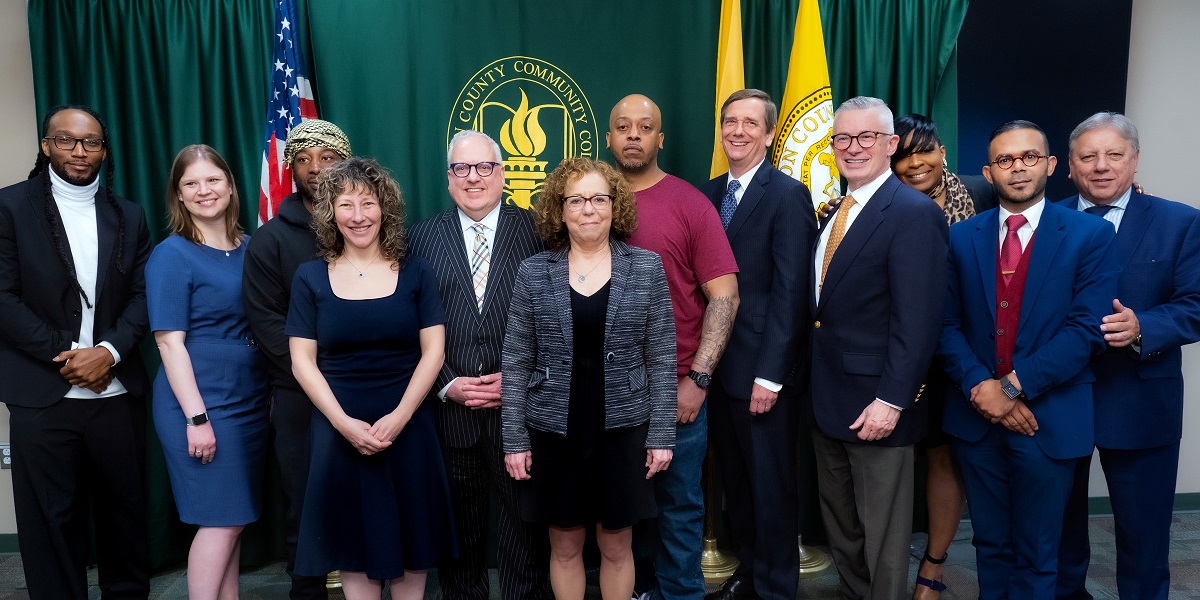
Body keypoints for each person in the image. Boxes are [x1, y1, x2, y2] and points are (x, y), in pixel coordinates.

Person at [939, 120, 1118, 599]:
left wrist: (1011, 389)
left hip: (1050, 420)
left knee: (1041, 552)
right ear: (988, 171)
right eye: (1004, 160)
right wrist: (982, 388)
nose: (1017, 168)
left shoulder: (1090, 236)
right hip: (976, 420)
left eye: (1029, 157)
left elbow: (1086, 331)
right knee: (990, 545)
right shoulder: (962, 237)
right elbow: (946, 325)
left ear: (1050, 165)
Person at [502, 157, 676, 600]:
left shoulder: (646, 267)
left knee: (617, 544)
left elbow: (660, 356)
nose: (588, 209)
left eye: (599, 198)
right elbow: (518, 359)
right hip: (554, 429)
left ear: (615, 206)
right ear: (558, 210)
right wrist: (515, 440)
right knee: (564, 544)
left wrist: (661, 434)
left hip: (624, 430)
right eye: (575, 200)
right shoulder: (534, 272)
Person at [287, 157, 456, 600]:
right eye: (346, 205)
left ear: (386, 209)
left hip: (409, 427)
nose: (359, 216)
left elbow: (434, 352)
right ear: (330, 212)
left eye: (368, 203)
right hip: (339, 431)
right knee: (354, 554)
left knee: (412, 555)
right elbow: (302, 362)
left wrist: (400, 416)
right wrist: (343, 425)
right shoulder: (310, 277)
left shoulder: (417, 271)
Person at [0, 105, 152, 599]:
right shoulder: (10, 208)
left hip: (115, 392)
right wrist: (69, 356)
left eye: (91, 143)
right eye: (67, 140)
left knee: (124, 521)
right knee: (51, 524)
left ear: (104, 152)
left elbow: (144, 296)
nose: (79, 152)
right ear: (46, 146)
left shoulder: (127, 214)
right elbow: (2, 297)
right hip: (41, 393)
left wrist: (107, 351)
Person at [806, 97, 947, 600]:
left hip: (877, 406)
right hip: (826, 402)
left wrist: (891, 401)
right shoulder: (832, 213)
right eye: (842, 138)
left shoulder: (911, 214)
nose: (853, 147)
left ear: (890, 144)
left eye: (866, 137)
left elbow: (920, 320)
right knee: (842, 530)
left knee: (884, 541)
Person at [1055, 112, 1200, 600]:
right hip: (1058, 403)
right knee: (1058, 538)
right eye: (1087, 157)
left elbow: (1195, 304)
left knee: (1143, 541)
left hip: (1141, 405)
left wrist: (1146, 326)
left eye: (1114, 154)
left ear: (1134, 161)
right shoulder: (1044, 222)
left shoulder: (1180, 222)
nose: (1101, 166)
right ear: (1069, 167)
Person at [407, 130, 550, 600]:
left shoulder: (538, 232)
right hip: (450, 414)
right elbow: (406, 322)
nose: (473, 178)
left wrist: (521, 381)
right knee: (459, 536)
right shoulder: (420, 239)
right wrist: (446, 385)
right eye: (461, 169)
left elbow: (557, 319)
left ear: (503, 174)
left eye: (484, 167)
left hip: (522, 416)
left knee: (523, 534)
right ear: (448, 179)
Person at [607, 94, 739, 600]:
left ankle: (680, 595)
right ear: (610, 137)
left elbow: (724, 296)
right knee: (617, 511)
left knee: (679, 507)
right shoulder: (588, 199)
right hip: (606, 390)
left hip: (675, 387)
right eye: (624, 126)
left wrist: (698, 379)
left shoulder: (689, 203)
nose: (634, 135)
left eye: (645, 127)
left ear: (661, 139)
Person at [700, 88, 812, 600]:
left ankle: (775, 589)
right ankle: (748, 573)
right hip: (716, 370)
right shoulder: (708, 193)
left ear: (769, 134)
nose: (736, 131)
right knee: (737, 487)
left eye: (749, 123)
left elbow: (792, 292)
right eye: (729, 122)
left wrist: (771, 374)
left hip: (762, 373)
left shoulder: (788, 194)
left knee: (770, 489)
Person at [147, 144, 270, 599]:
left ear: (231, 185)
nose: (204, 191)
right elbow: (168, 342)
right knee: (223, 521)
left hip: (250, 399)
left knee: (231, 521)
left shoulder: (251, 248)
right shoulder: (172, 254)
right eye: (191, 184)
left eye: (213, 179)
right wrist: (197, 419)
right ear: (178, 196)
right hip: (200, 401)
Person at [243, 118, 351, 600]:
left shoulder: (367, 227)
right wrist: (314, 378)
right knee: (304, 499)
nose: (315, 168)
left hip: (364, 389)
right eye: (303, 158)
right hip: (298, 396)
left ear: (345, 163)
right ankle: (306, 590)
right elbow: (265, 321)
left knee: (363, 493)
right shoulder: (270, 241)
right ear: (291, 169)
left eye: (327, 157)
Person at [888, 113, 989, 599]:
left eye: (922, 150)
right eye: (903, 154)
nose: (913, 163)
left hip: (966, 351)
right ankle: (882, 567)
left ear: (941, 150)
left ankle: (933, 567)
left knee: (946, 457)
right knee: (902, 458)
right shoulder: (883, 203)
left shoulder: (981, 192)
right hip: (905, 351)